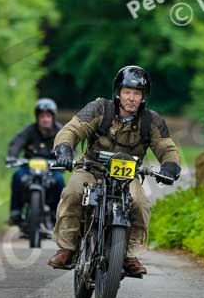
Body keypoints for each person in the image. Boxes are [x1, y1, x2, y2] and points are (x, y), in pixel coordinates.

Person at [48, 66, 181, 277]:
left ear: (143, 97)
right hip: (92, 168)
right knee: (72, 193)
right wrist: (64, 149)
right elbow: (72, 129)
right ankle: (67, 247)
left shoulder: (151, 120)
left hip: (127, 176)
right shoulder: (100, 109)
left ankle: (129, 255)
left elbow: (166, 147)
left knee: (140, 203)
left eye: (137, 94)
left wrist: (170, 166)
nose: (131, 98)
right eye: (127, 92)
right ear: (118, 92)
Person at [6, 98, 64, 225]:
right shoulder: (30, 130)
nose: (45, 119)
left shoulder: (61, 132)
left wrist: (65, 159)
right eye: (42, 116)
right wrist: (12, 156)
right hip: (29, 166)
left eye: (48, 116)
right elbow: (17, 143)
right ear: (37, 117)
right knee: (17, 176)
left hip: (53, 168)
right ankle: (15, 212)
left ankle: (57, 213)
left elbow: (69, 146)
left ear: (53, 117)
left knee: (60, 181)